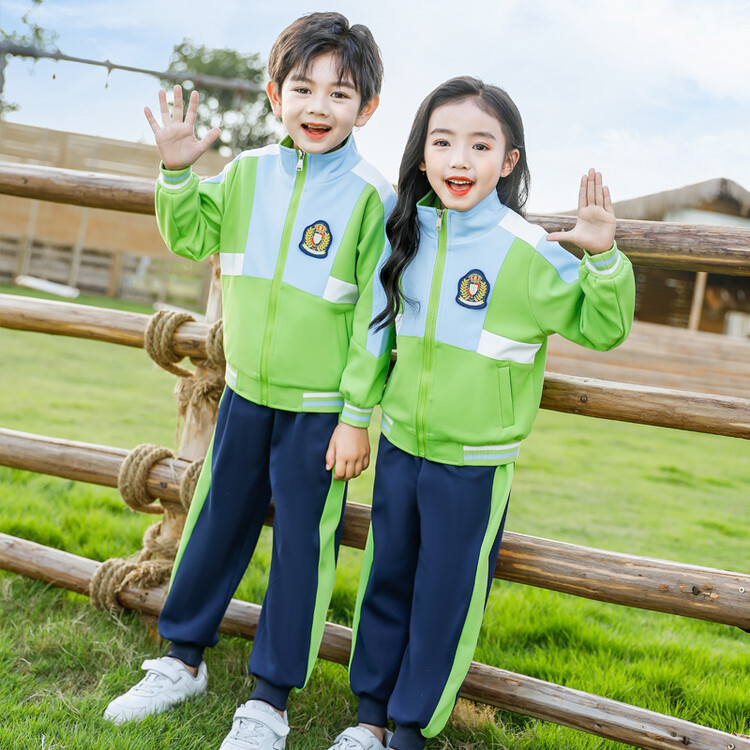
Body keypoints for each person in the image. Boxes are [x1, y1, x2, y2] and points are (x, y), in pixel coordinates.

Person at [103, 13, 395, 750]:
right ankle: (181, 661)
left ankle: (268, 702)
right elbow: (190, 235)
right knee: (213, 524)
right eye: (303, 88)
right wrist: (176, 172)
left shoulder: (374, 197)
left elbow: (379, 313)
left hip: (321, 413)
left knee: (302, 549)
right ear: (274, 94)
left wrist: (356, 415)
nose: (318, 106)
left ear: (367, 108)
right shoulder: (246, 173)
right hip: (244, 394)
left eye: (340, 93)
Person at [327, 76, 635, 750]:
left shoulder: (526, 249)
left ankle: (411, 729)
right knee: (385, 580)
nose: (459, 160)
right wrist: (357, 415)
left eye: (480, 145)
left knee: (445, 597)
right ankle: (369, 717)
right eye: (442, 143)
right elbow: (375, 331)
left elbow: (603, 326)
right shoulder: (403, 232)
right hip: (401, 447)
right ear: (422, 153)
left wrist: (603, 255)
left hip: (473, 464)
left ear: (508, 161)